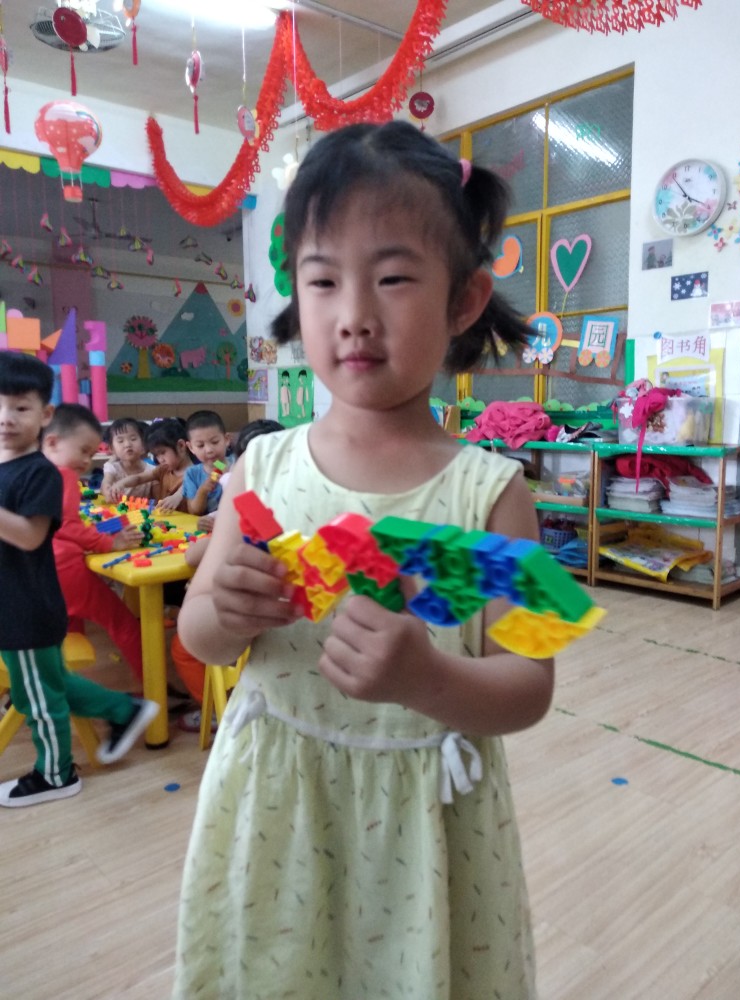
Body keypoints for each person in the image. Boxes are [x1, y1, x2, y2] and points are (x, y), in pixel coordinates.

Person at [173, 120, 553, 999]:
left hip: (425, 826)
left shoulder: (490, 495)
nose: (354, 315)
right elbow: (201, 637)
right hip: (278, 807)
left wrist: (426, 677)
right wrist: (223, 612)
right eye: (322, 280)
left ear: (464, 300)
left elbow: (530, 686)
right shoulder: (259, 470)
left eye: (392, 278)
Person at [0, 354, 157, 808]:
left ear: (44, 416)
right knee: (40, 685)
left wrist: (107, 541)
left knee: (38, 697)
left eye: (21, 408)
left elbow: (30, 536)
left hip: (27, 606)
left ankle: (56, 774)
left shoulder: (42, 472)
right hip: (15, 602)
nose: (7, 418)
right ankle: (123, 708)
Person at [169, 418, 284, 731]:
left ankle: (221, 709)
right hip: (276, 628)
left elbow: (192, 555)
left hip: (249, 632)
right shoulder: (290, 502)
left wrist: (221, 531)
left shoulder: (251, 509)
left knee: (182, 649)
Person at [42, 403, 145, 683]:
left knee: (70, 628)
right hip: (65, 569)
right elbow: (68, 526)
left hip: (44, 570)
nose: (88, 461)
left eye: (92, 453)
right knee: (124, 624)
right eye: (83, 451)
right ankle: (153, 689)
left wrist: (114, 526)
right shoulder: (65, 475)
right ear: (52, 442)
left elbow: (65, 524)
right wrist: (110, 542)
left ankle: (70, 687)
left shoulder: (36, 472)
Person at [109, 418, 192, 511]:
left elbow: (187, 485)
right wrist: (121, 483)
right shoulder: (163, 469)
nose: (160, 459)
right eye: (156, 455)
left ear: (181, 446)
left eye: (162, 452)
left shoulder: (196, 472)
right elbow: (139, 478)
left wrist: (177, 496)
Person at [182, 410, 231, 516]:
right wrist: (203, 490)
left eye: (215, 442)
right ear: (191, 447)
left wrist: (229, 477)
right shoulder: (192, 473)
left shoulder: (238, 464)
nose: (209, 450)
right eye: (200, 445)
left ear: (226, 440)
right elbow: (194, 511)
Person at [101, 418, 154, 502]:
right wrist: (107, 491)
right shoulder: (112, 468)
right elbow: (106, 482)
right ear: (111, 448)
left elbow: (158, 499)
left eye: (133, 439)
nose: (127, 444)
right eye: (120, 441)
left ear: (144, 444)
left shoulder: (152, 470)